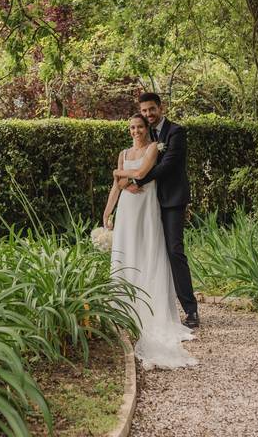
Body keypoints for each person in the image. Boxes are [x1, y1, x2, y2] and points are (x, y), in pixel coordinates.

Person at [102, 113, 197, 369]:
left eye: (140, 127)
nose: (136, 131)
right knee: (126, 252)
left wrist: (121, 175)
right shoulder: (123, 153)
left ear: (147, 129)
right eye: (132, 127)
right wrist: (108, 210)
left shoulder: (154, 147)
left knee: (147, 252)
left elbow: (143, 172)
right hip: (127, 210)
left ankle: (150, 306)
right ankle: (123, 306)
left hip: (145, 207)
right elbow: (115, 187)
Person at [118, 92, 199, 328]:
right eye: (144, 111)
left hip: (171, 199)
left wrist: (136, 180)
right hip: (146, 203)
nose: (148, 115)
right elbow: (131, 161)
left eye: (151, 109)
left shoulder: (176, 132)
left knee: (174, 251)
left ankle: (191, 310)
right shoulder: (143, 131)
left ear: (160, 108)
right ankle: (151, 306)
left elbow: (167, 165)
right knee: (148, 250)